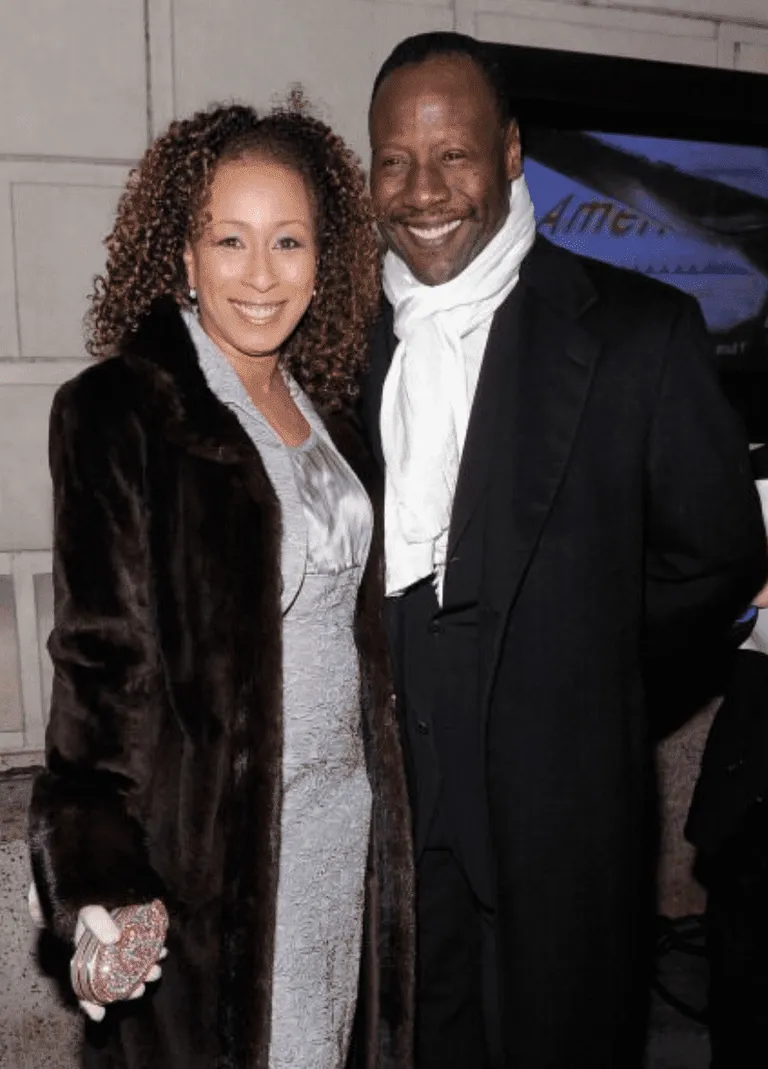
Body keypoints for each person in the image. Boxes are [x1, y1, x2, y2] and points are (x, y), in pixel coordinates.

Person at [360, 30, 768, 1069]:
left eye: (452, 155)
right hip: (398, 801)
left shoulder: (641, 329)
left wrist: (585, 660)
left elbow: (714, 553)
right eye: (396, 161)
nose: (422, 190)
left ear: (509, 154)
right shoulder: (344, 344)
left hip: (561, 791)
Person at [27, 99, 414, 1069]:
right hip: (211, 853)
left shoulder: (337, 414)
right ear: (184, 258)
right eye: (228, 239)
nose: (260, 272)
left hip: (349, 831)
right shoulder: (122, 413)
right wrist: (101, 885)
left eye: (288, 240)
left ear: (324, 257)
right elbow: (100, 671)